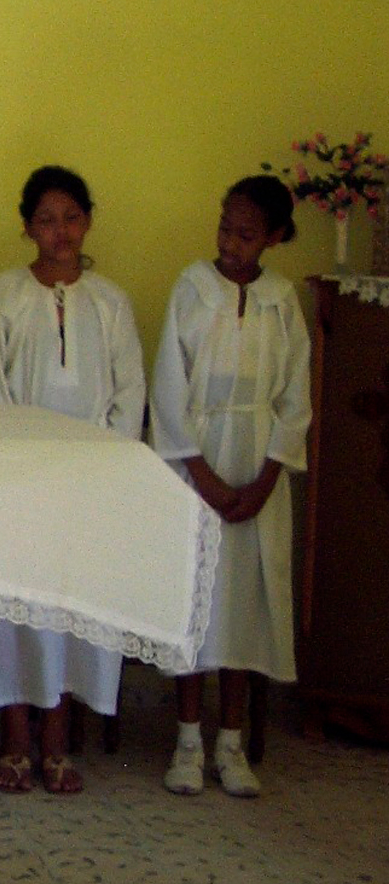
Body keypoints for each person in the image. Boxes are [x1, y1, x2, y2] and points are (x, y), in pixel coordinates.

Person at [0, 165, 145, 794]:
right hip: (18, 476)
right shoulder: (3, 294)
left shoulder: (111, 302)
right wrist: (21, 467)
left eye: (71, 217)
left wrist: (101, 466)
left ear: (88, 221)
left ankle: (58, 743)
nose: (60, 230)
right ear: (26, 228)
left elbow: (129, 395)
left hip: (91, 481)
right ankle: (14, 741)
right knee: (14, 607)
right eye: (46, 219)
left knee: (73, 608)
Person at [152, 175, 310, 798]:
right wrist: (203, 477)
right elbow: (169, 387)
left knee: (243, 604)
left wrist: (266, 478)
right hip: (199, 462)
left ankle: (231, 743)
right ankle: (187, 738)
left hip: (257, 464)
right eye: (224, 227)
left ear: (273, 238)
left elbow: (296, 401)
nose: (230, 244)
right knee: (195, 601)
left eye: (246, 234)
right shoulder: (192, 288)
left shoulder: (281, 300)